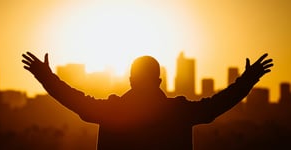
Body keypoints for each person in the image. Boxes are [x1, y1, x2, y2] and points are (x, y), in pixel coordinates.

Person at [22, 52, 273, 150]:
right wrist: (248, 80)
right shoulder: (178, 112)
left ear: (131, 80)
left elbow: (74, 100)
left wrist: (46, 76)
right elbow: (216, 105)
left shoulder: (113, 110)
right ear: (160, 81)